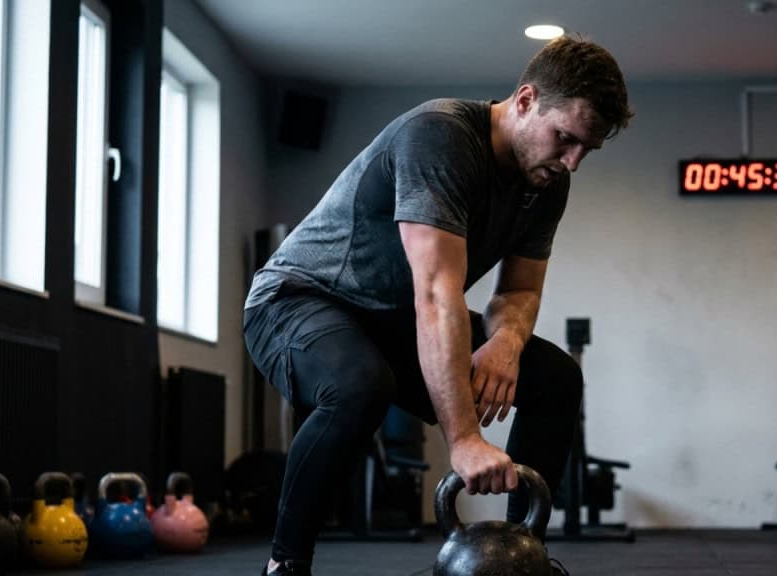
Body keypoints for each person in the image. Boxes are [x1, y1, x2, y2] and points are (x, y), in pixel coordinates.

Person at [243, 35, 632, 575]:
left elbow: (518, 290)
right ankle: (285, 564)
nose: (573, 162)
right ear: (524, 100)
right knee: (359, 384)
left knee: (556, 378)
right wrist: (466, 438)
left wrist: (507, 342)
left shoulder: (546, 181)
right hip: (298, 299)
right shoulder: (441, 137)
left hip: (392, 316)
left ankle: (523, 556)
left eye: (587, 148)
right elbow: (436, 293)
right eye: (565, 138)